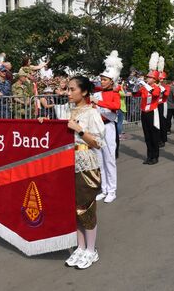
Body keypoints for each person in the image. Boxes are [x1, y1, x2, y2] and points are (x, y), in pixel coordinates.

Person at [60, 76, 105, 270]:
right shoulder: (66, 110)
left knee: (85, 207)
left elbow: (98, 143)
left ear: (84, 92)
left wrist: (79, 130)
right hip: (67, 162)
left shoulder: (92, 113)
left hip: (86, 164)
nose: (68, 93)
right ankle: (80, 247)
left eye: (72, 89)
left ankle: (91, 250)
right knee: (73, 207)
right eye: (67, 89)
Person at [91, 51, 122, 203]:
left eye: (104, 80)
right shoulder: (97, 94)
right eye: (101, 79)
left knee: (109, 159)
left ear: (111, 81)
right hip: (97, 129)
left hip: (109, 127)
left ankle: (112, 190)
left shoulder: (115, 93)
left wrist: (99, 103)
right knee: (99, 160)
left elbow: (115, 106)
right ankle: (103, 189)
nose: (101, 82)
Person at [133, 54, 161, 165]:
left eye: (149, 77)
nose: (147, 78)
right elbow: (135, 94)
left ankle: (155, 156)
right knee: (147, 136)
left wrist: (145, 84)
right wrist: (135, 84)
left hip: (152, 113)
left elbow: (154, 94)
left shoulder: (156, 88)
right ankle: (149, 156)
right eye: (147, 77)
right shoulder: (144, 87)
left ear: (154, 79)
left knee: (154, 135)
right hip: (144, 113)